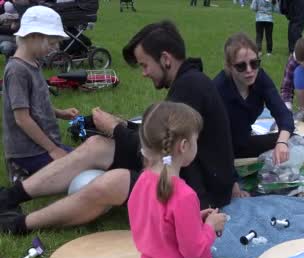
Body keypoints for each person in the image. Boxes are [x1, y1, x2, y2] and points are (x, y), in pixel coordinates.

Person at [0, 21, 238, 235]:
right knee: (95, 146)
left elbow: (161, 150)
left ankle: (20, 224)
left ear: (166, 59)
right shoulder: (189, 81)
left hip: (199, 192)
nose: (144, 73)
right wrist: (123, 127)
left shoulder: (191, 87)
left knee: (114, 182)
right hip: (179, 171)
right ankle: (10, 197)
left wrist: (115, 128)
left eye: (145, 65)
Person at [129, 101, 256, 258]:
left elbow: (156, 223)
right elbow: (193, 251)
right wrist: (209, 227)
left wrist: (194, 218)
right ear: (185, 146)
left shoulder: (143, 180)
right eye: (197, 140)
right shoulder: (184, 194)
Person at [2, 6, 78, 176]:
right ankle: (19, 171)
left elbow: (36, 105)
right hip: (28, 152)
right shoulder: (17, 70)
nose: (56, 47)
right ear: (34, 36)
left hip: (43, 146)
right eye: (51, 43)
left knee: (87, 156)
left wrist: (61, 113)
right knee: (80, 168)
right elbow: (22, 119)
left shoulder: (34, 64)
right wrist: (53, 150)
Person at [214, 33, 294, 165]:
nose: (249, 70)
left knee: (291, 139)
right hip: (222, 150)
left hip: (244, 141)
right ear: (229, 66)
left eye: (254, 63)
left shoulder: (260, 78)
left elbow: (283, 114)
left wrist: (281, 142)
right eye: (241, 66)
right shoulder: (218, 88)